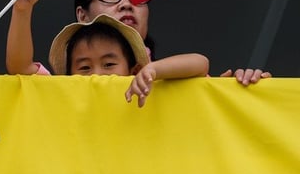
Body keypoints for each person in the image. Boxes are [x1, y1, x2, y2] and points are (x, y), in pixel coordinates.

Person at [7, 0, 269, 85]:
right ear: (82, 15)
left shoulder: (171, 80)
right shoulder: (67, 87)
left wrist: (233, 91)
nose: (126, 4)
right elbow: (20, 68)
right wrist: (22, 9)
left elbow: (201, 63)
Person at [47, 14, 208, 107]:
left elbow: (201, 63)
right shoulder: (64, 104)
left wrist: (153, 70)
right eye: (84, 68)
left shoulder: (143, 91)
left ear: (134, 71)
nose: (96, 75)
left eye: (109, 64)